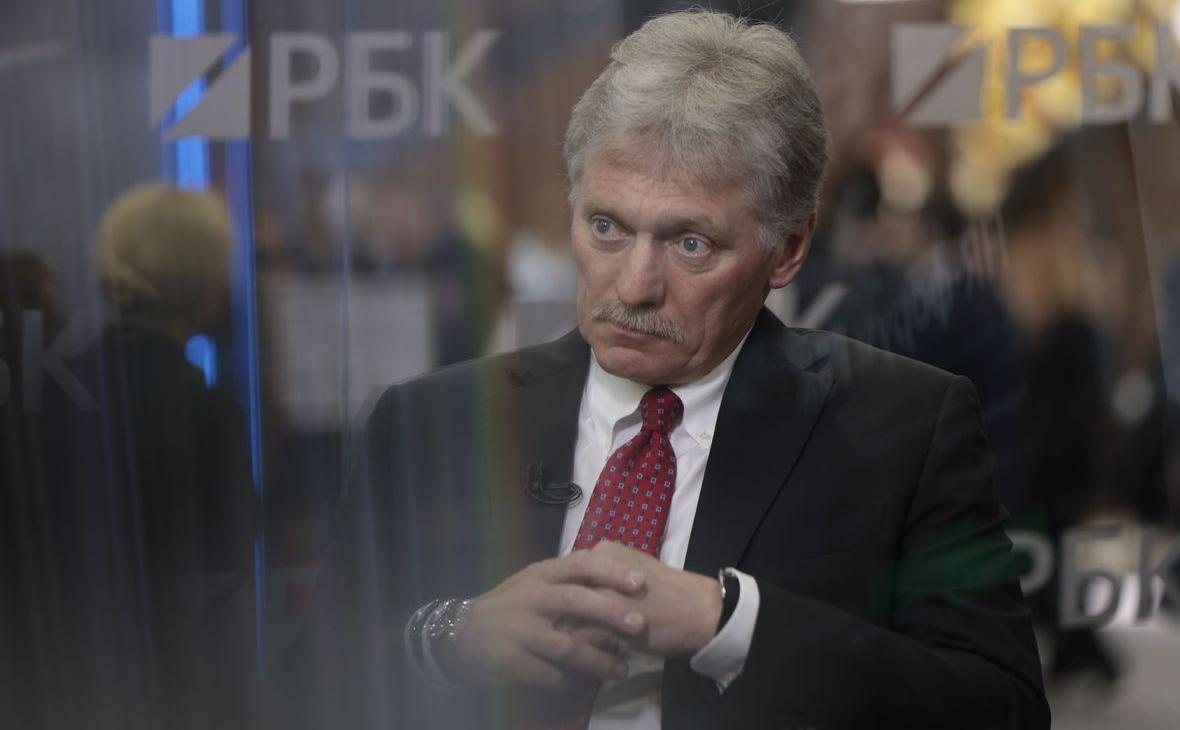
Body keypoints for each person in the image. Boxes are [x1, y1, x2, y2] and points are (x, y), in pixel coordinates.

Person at [296, 10, 1048, 729]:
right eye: (606, 227)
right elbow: (300, 680)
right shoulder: (430, 422)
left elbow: (1000, 708)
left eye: (691, 244)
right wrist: (452, 639)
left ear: (788, 249)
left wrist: (732, 624)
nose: (634, 286)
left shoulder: (903, 429)